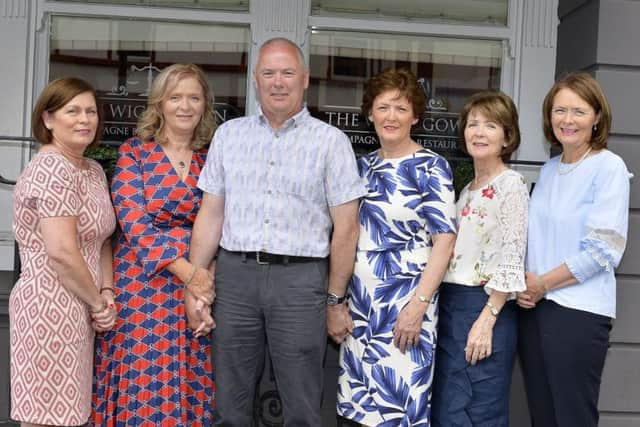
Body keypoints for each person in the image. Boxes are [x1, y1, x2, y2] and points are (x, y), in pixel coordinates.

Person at [189, 37, 365, 426]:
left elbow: (347, 229)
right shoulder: (229, 135)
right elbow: (211, 213)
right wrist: (196, 282)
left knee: (302, 405)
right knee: (230, 403)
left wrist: (335, 299)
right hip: (235, 279)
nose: (278, 82)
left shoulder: (330, 142)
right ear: (256, 80)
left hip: (301, 282)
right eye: (269, 73)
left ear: (305, 79)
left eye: (287, 73)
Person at [93, 63, 216, 426]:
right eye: (175, 97)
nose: (185, 106)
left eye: (194, 97)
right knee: (141, 379)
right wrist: (189, 273)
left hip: (194, 289)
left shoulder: (212, 159)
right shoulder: (135, 153)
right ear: (160, 103)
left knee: (187, 376)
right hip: (141, 285)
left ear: (204, 105)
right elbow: (133, 222)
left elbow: (220, 222)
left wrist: (203, 284)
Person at [334, 68, 457, 426]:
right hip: (361, 314)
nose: (391, 116)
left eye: (401, 109)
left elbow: (445, 241)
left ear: (415, 116)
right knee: (356, 412)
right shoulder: (362, 168)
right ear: (369, 112)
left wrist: (417, 307)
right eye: (383, 107)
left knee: (399, 410)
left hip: (407, 313)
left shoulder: (432, 167)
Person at [517, 72, 631, 427]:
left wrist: (543, 284)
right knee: (544, 416)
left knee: (572, 417)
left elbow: (603, 250)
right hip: (534, 309)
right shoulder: (550, 170)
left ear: (597, 117)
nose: (567, 120)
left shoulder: (608, 167)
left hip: (577, 314)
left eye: (579, 111)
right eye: (560, 110)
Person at [9, 77, 117, 426]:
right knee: (46, 419)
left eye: (90, 111)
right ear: (48, 119)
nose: (84, 119)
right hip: (48, 307)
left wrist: (106, 290)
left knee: (71, 417)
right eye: (73, 111)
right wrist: (99, 304)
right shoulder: (52, 167)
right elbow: (62, 253)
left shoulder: (92, 170)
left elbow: (100, 239)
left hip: (81, 306)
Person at [431, 91, 528, 426]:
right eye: (473, 124)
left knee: (480, 410)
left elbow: (512, 257)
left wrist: (487, 320)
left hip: (486, 308)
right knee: (450, 408)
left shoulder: (511, 185)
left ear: (507, 136)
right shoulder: (469, 188)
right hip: (453, 309)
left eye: (491, 125)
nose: (479, 132)